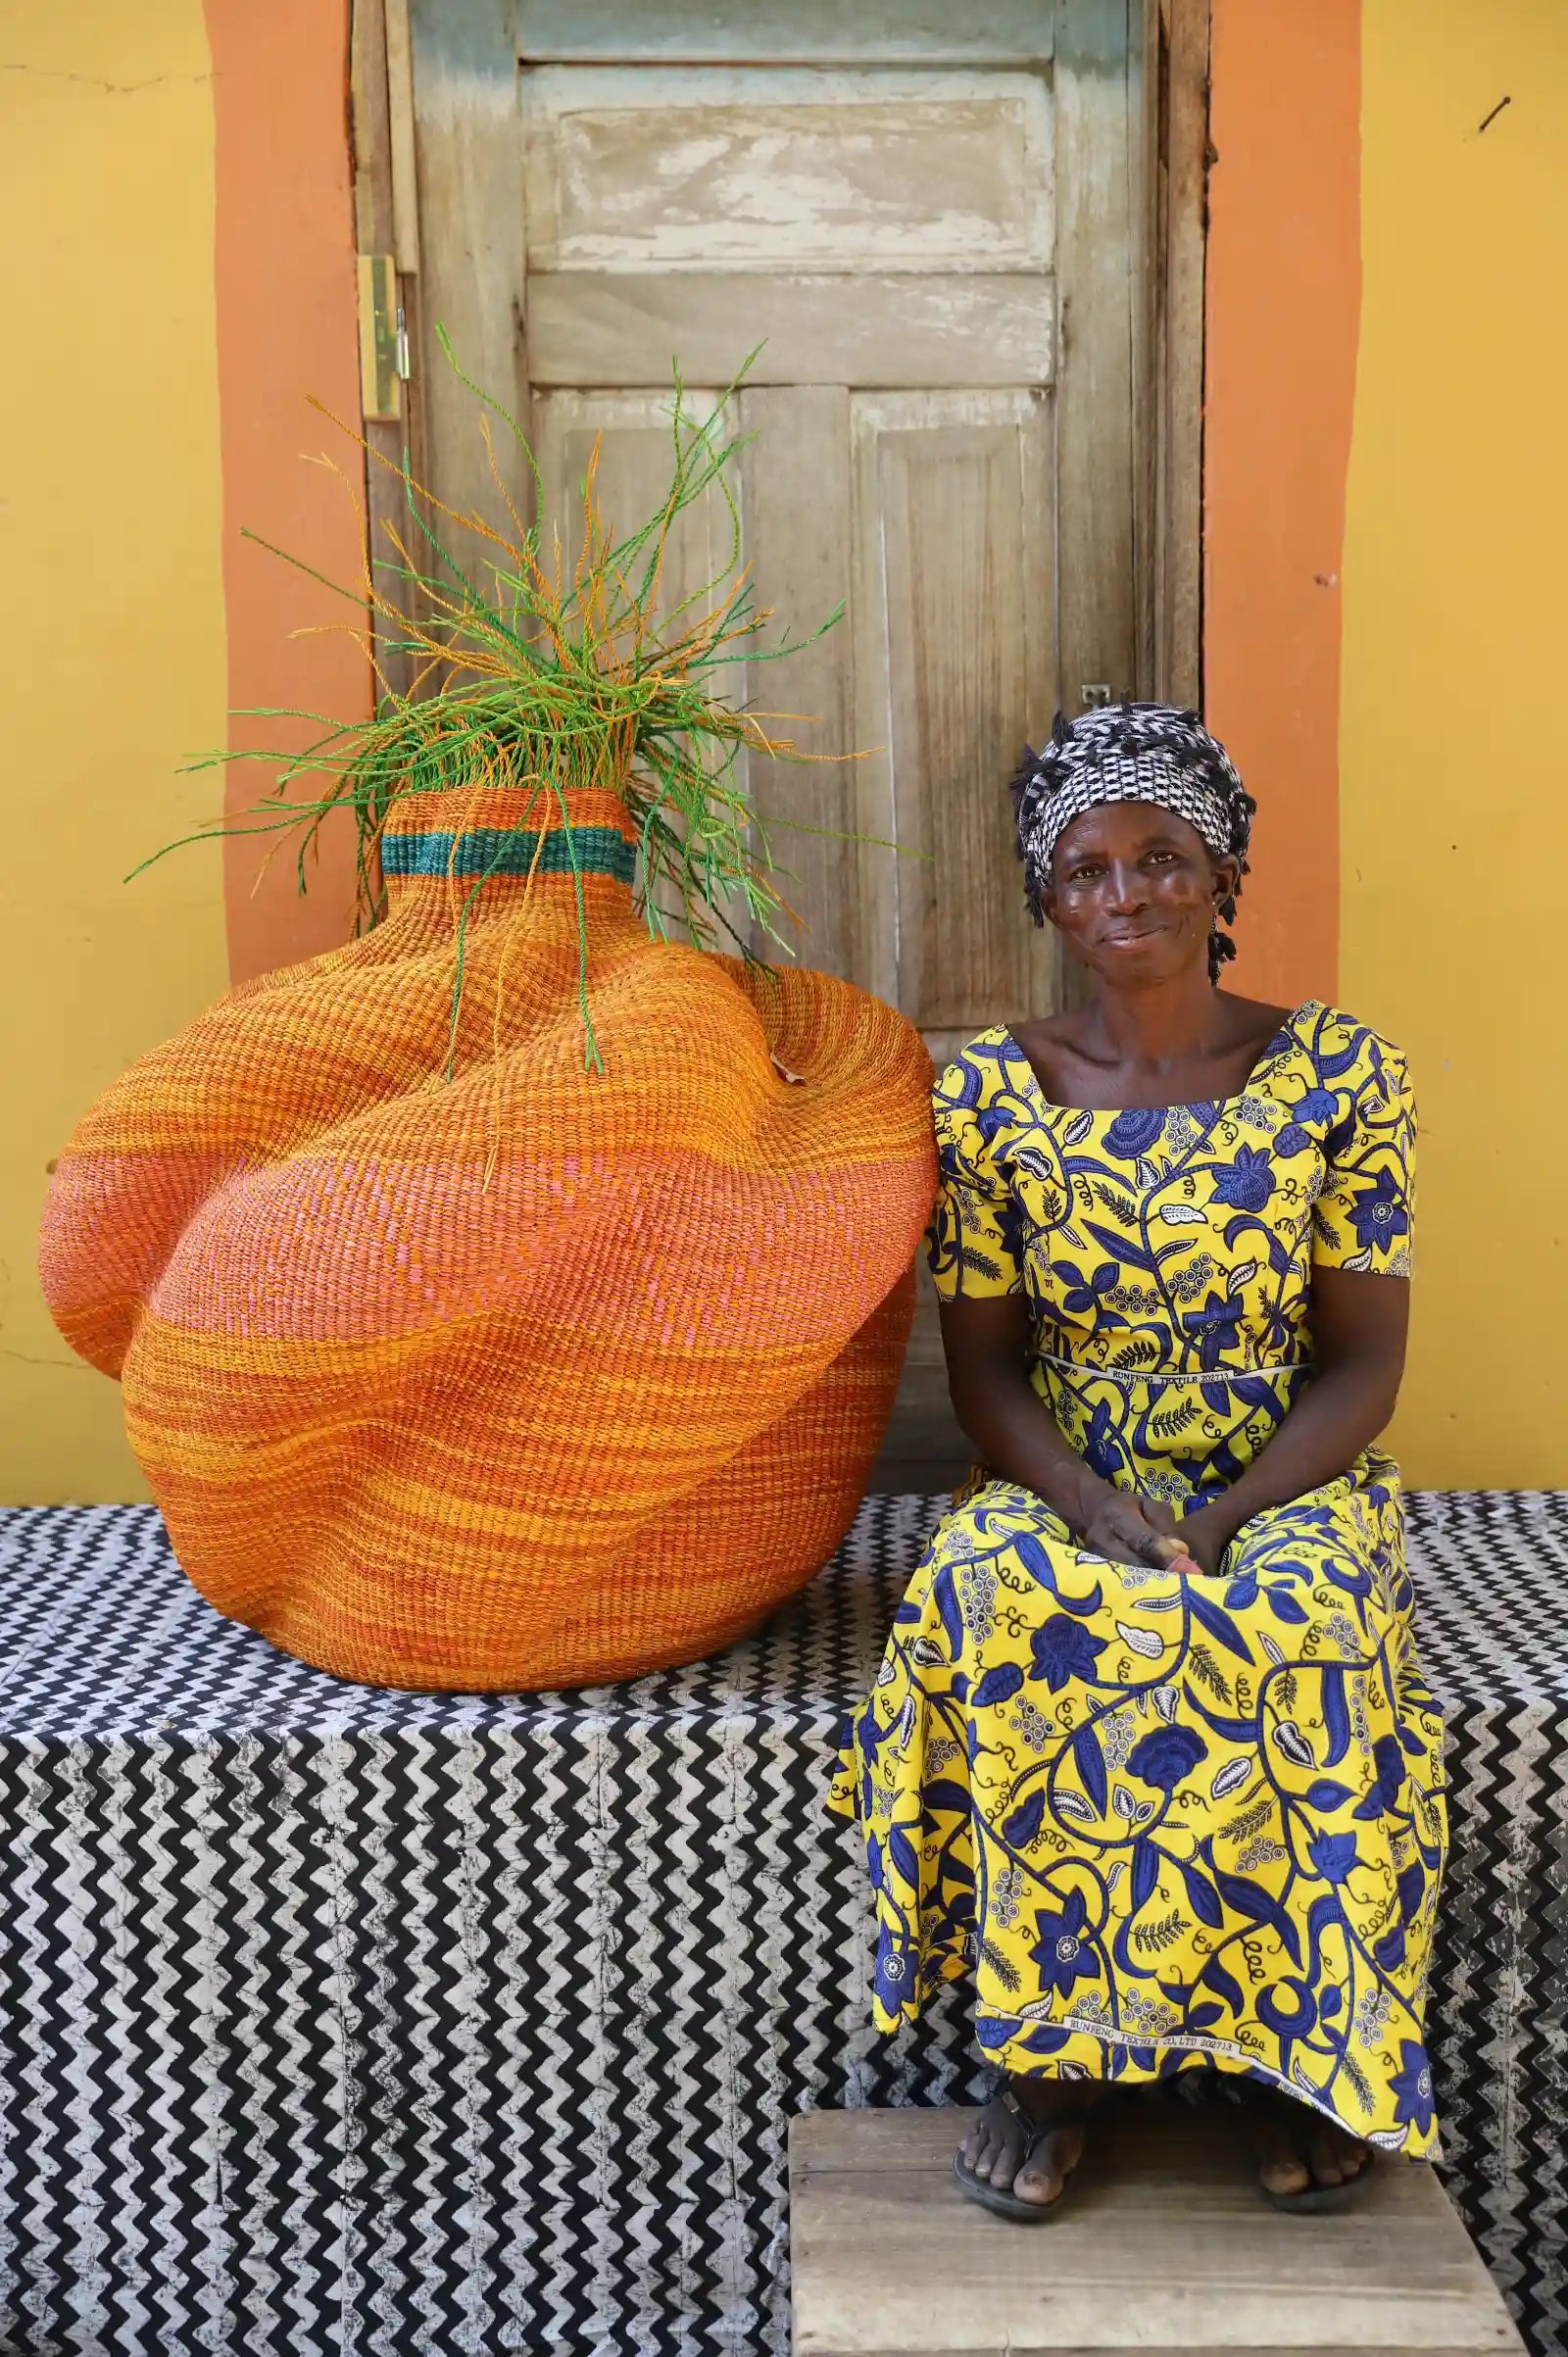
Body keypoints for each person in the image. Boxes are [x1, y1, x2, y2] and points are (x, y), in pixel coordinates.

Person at [830, 701, 1446, 2218]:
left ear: (1224, 871)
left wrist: (1229, 1516)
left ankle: (1285, 2055)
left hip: (1284, 1470)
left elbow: (1366, 1362)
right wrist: (1096, 1506)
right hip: (1068, 1470)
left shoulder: (1340, 1076)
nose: (1128, 896)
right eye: (1088, 868)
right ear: (1047, 898)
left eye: (1162, 857)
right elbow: (984, 1378)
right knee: (1006, 1609)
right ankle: (1057, 2060)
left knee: (1294, 1626)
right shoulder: (989, 1093)